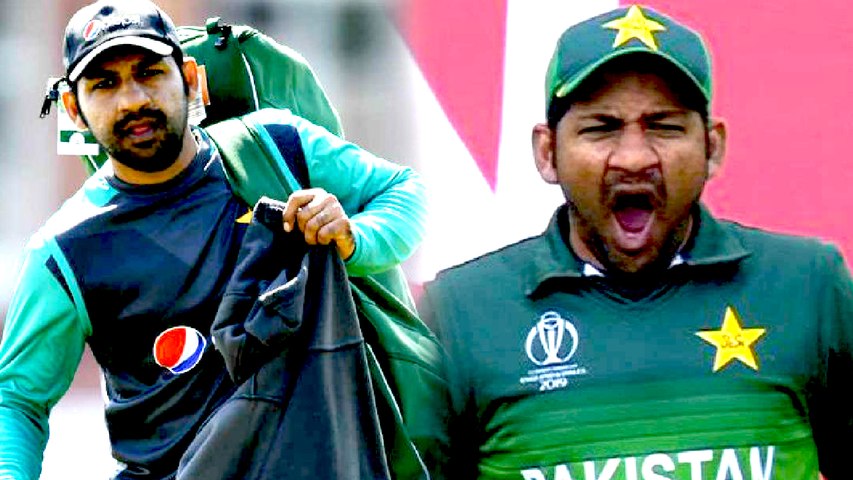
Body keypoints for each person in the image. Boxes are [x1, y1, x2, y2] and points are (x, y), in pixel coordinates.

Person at [418, 5, 852, 480]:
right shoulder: (459, 313)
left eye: (664, 126)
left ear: (712, 147)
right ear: (547, 153)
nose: (633, 158)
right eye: (600, 128)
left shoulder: (807, 286)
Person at [0, 0, 426, 479]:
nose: (132, 100)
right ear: (74, 109)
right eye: (104, 84)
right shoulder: (64, 250)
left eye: (149, 73)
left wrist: (353, 238)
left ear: (190, 79)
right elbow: (17, 399)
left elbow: (406, 193)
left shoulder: (273, 148)